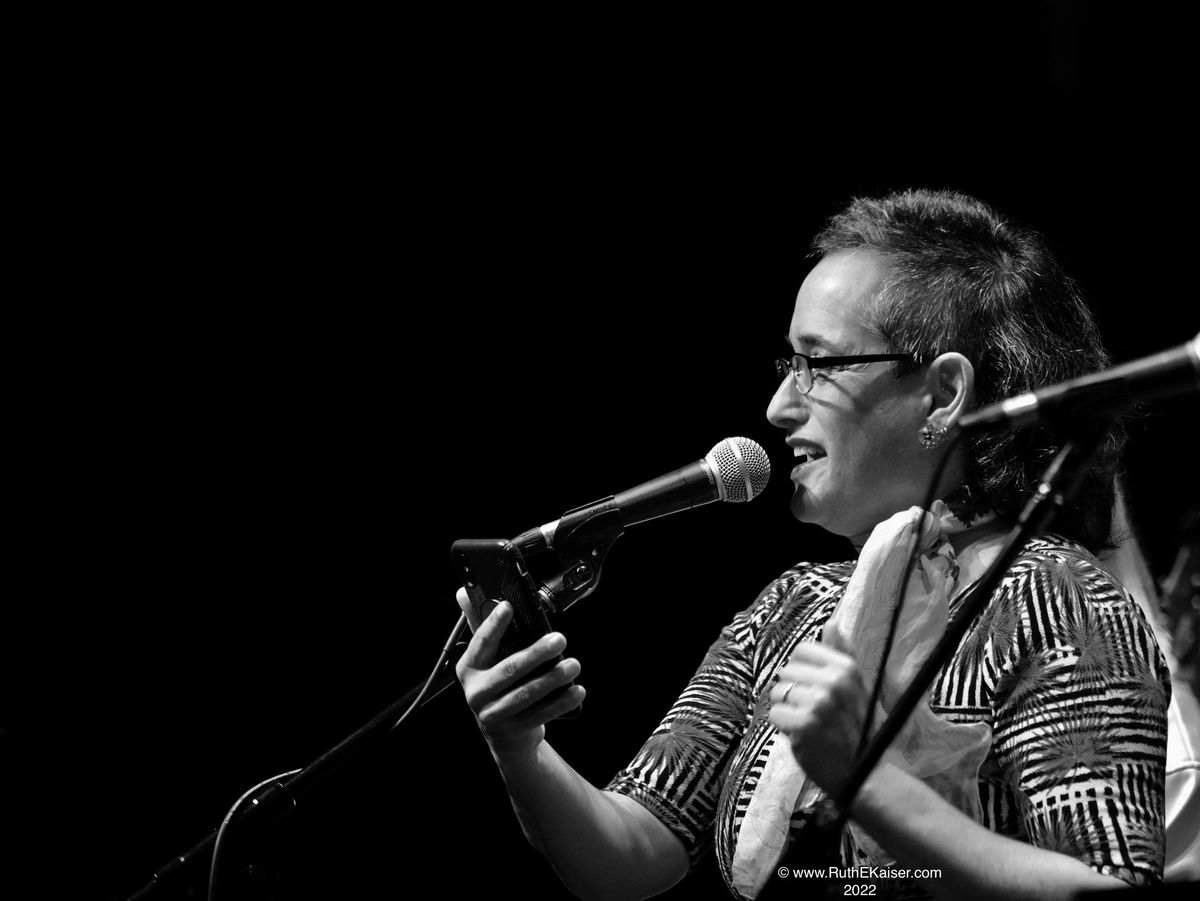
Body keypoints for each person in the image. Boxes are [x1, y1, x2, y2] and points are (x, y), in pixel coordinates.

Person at [453, 189, 1170, 900]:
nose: (778, 407)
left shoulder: (1054, 597)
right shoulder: (792, 607)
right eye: (786, 364)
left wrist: (869, 776)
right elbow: (631, 853)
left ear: (944, 391)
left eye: (818, 365)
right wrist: (521, 749)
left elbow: (1103, 889)